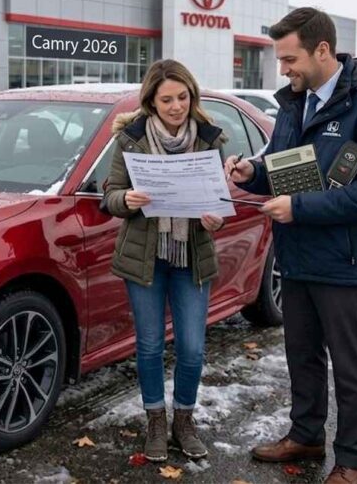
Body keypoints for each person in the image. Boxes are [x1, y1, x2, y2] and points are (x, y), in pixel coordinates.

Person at [224, 7, 357, 484]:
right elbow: (290, 168)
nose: (283, 70)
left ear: (322, 50)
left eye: (290, 59)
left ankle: (351, 462)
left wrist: (299, 209)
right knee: (301, 355)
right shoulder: (294, 103)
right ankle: (306, 435)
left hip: (347, 262)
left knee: (349, 367)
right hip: (298, 257)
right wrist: (255, 173)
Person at [102, 59, 228, 462]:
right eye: (167, 99)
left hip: (191, 257)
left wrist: (215, 217)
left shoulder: (209, 140)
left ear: (192, 97)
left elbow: (220, 202)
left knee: (191, 349)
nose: (176, 106)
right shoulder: (130, 139)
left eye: (183, 97)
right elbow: (110, 195)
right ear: (151, 102)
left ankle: (184, 420)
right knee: (151, 345)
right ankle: (156, 420)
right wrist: (127, 200)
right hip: (146, 259)